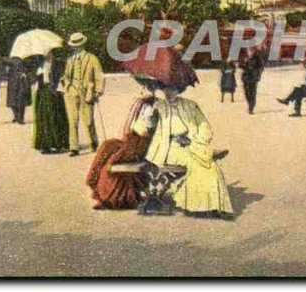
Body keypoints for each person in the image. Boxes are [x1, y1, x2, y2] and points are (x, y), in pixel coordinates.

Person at [146, 80, 234, 219]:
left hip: (192, 145)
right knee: (196, 165)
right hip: (169, 148)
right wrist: (151, 117)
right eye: (166, 89)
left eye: (172, 89)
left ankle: (213, 205)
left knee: (211, 166)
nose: (169, 93)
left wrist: (195, 140)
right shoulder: (158, 106)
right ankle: (196, 206)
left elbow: (205, 126)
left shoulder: (190, 105)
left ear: (179, 89)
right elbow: (148, 127)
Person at [87, 84, 158, 210]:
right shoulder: (141, 106)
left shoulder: (152, 109)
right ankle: (103, 195)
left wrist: (138, 125)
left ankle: (110, 199)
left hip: (137, 147)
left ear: (152, 91)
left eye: (146, 89)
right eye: (143, 89)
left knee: (111, 160)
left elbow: (143, 133)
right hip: (131, 142)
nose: (142, 92)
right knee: (107, 146)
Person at [60, 32, 105, 156]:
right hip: (72, 91)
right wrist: (66, 83)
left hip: (87, 92)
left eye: (77, 45)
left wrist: (98, 91)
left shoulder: (91, 58)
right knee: (72, 120)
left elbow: (99, 76)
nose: (75, 47)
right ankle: (74, 147)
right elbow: (66, 75)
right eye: (73, 45)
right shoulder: (70, 60)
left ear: (82, 45)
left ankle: (93, 142)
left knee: (89, 120)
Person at [32, 48, 69, 154]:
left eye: (49, 52)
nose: (47, 55)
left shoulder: (58, 64)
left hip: (54, 93)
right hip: (43, 93)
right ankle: (46, 145)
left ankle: (58, 144)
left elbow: (61, 78)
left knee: (55, 118)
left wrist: (56, 83)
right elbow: (37, 82)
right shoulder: (40, 65)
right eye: (45, 53)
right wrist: (38, 74)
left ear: (52, 53)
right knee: (43, 118)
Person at [5, 56, 31, 124]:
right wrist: (7, 70)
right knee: (12, 101)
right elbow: (5, 67)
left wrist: (25, 74)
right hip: (12, 81)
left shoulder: (27, 57)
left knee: (21, 100)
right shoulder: (10, 59)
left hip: (22, 82)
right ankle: (16, 116)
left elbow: (31, 68)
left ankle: (20, 118)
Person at [240, 45, 265, 114]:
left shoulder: (257, 58)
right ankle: (250, 104)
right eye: (249, 50)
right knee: (246, 92)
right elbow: (240, 65)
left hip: (253, 77)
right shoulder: (245, 57)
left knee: (253, 93)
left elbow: (261, 67)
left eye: (251, 50)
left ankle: (251, 107)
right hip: (246, 77)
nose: (250, 52)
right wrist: (244, 63)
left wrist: (257, 73)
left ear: (254, 51)